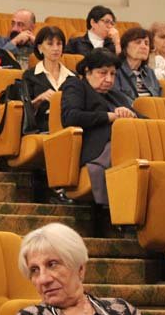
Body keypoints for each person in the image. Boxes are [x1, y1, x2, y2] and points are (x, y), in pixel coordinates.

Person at [12, 223, 158, 315]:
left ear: (80, 269)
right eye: (34, 270)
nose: (43, 279)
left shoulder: (122, 310)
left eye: (52, 264)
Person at [60, 49, 139, 207]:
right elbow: (70, 117)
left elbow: (145, 119)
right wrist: (109, 116)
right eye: (103, 73)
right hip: (94, 146)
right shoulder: (76, 85)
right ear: (87, 71)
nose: (109, 79)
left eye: (113, 74)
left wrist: (131, 116)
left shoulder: (116, 95)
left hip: (123, 143)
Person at [22, 26, 75, 134]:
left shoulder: (73, 77)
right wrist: (39, 99)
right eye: (50, 44)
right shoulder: (30, 76)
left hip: (69, 125)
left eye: (59, 44)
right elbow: (24, 111)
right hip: (43, 126)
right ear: (40, 48)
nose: (56, 48)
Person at [113, 27, 161, 101]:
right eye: (138, 42)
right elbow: (116, 100)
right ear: (125, 47)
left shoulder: (150, 72)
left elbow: (159, 99)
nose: (144, 47)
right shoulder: (116, 71)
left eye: (146, 43)